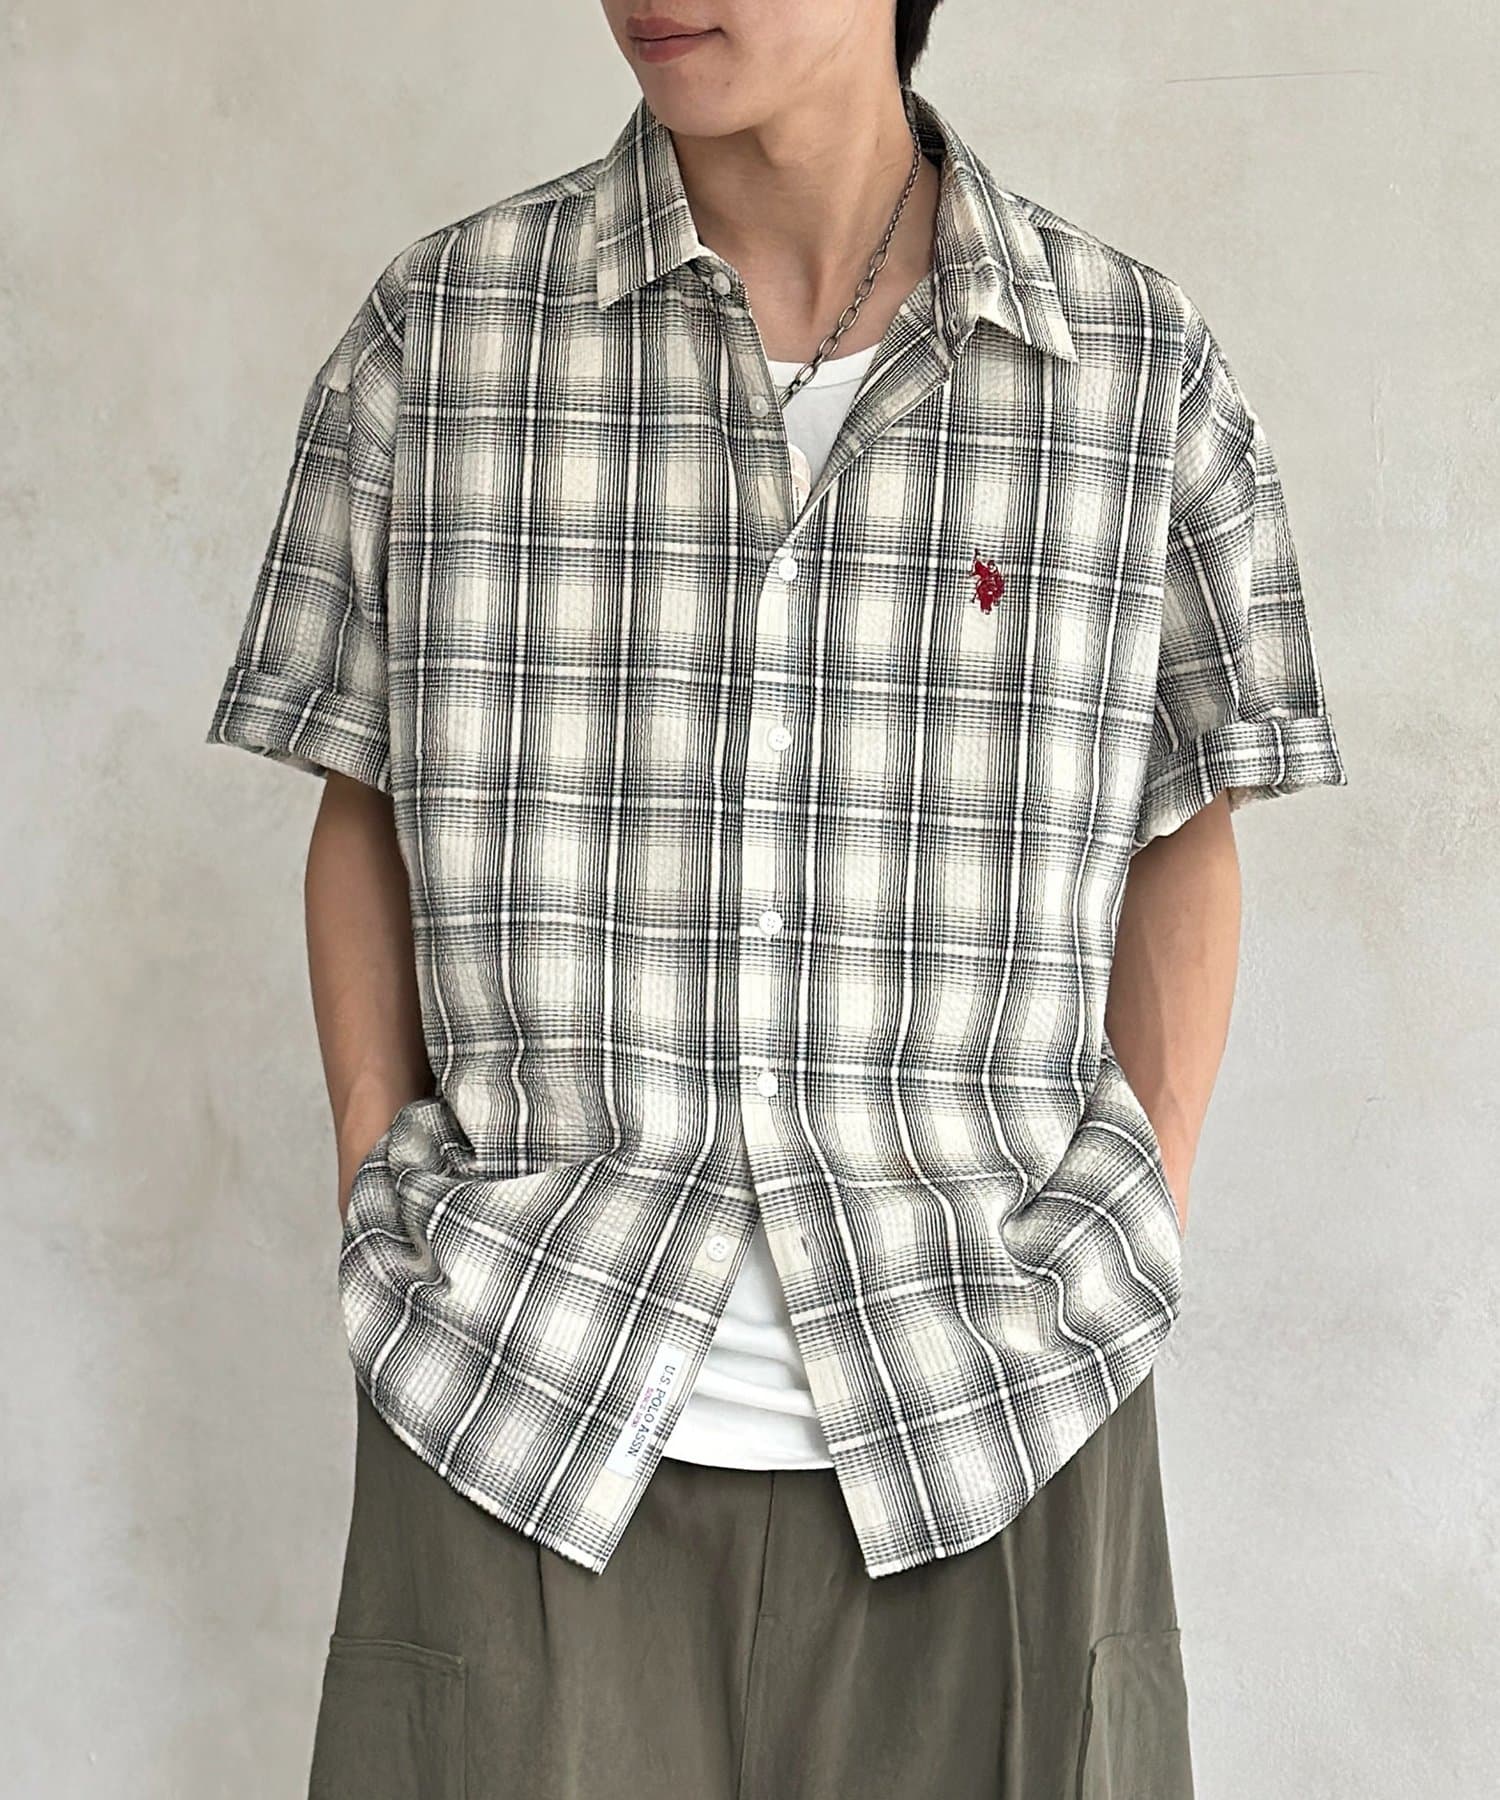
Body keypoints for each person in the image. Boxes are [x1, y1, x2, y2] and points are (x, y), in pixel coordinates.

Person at [205, 3, 1348, 1795]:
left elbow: (1186, 819)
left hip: (995, 1410)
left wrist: (1139, 1207)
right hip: (518, 1395)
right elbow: (362, 789)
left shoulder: (1133, 371)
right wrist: (377, 1162)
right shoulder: (442, 335)